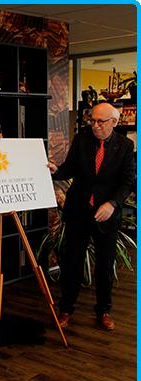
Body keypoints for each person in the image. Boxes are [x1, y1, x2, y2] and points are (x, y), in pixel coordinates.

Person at [48, 103, 135, 331]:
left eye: (100, 122)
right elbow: (70, 169)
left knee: (105, 265)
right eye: (92, 120)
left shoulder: (125, 146)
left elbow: (127, 182)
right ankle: (66, 309)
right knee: (72, 262)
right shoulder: (82, 140)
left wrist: (112, 204)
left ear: (114, 122)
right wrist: (55, 170)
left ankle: (104, 311)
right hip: (79, 212)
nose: (95, 126)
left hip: (106, 216)